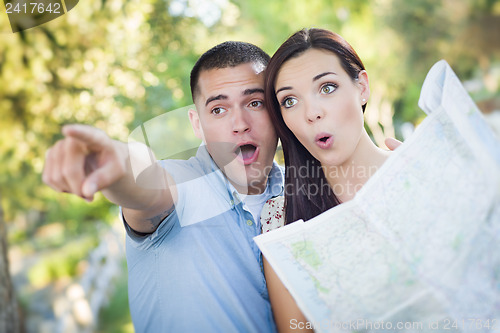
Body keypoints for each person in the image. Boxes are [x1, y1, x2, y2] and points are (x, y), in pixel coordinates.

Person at [43, 41, 284, 332]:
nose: (240, 123)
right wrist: (118, 163)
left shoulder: (302, 192)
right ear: (197, 124)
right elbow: (149, 183)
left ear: (278, 111)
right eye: (218, 109)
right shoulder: (183, 185)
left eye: (255, 103)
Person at [260, 28, 394, 332]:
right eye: (290, 101)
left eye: (327, 87)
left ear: (362, 87)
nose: (312, 113)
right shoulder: (281, 219)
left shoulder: (424, 171)